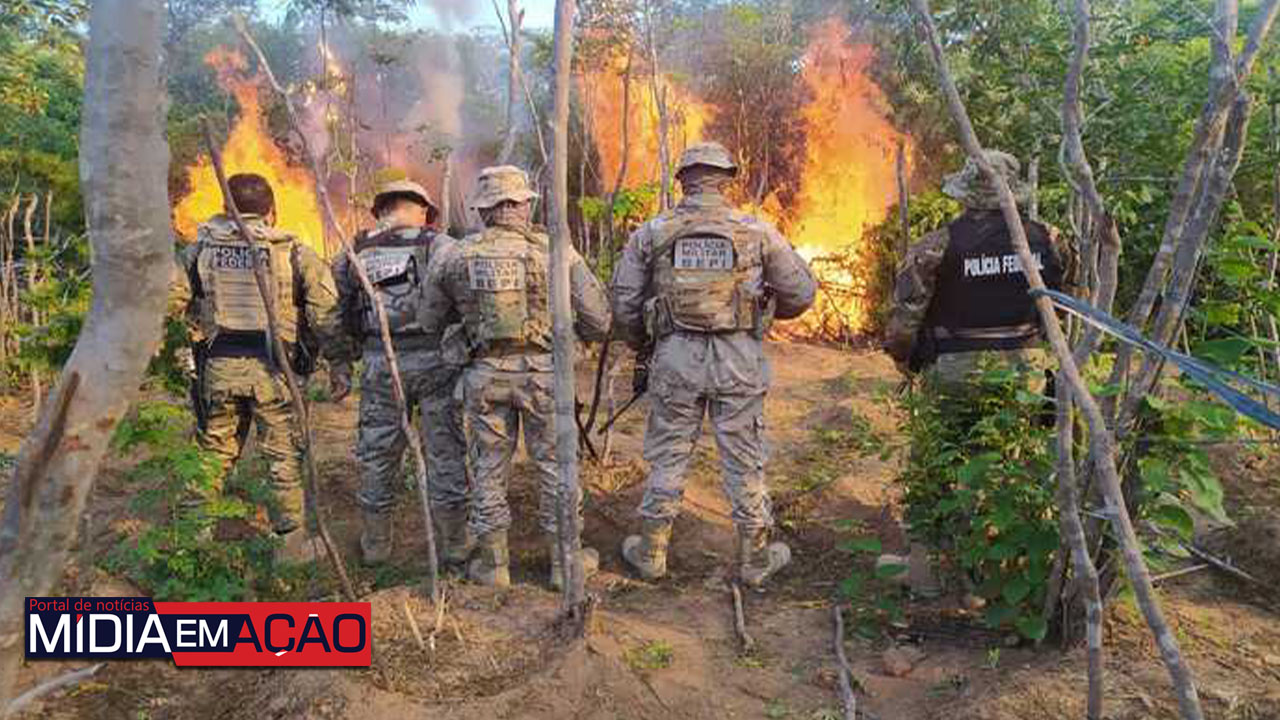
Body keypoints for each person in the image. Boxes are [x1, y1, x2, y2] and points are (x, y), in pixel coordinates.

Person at [610, 141, 817, 590]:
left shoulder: (652, 232)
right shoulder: (757, 231)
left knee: (668, 453)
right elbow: (800, 293)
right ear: (727, 180)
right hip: (738, 356)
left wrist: (644, 343)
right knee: (744, 457)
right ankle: (755, 559)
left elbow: (624, 303)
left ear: (682, 180)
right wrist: (759, 314)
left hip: (675, 355)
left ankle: (651, 553)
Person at [418, 165, 611, 589]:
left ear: (484, 209)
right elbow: (599, 318)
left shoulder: (454, 255)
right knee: (557, 467)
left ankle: (493, 565)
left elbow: (428, 319)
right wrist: (572, 343)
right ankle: (565, 564)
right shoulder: (556, 251)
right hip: (544, 375)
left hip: (484, 374)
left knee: (487, 467)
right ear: (524, 204)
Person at [175, 173, 340, 559]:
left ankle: (190, 546)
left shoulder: (200, 249)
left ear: (224, 209)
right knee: (282, 456)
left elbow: (171, 299)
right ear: (272, 211)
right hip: (275, 371)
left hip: (219, 370)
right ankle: (290, 548)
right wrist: (341, 362)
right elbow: (325, 313)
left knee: (212, 452)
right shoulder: (293, 251)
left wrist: (179, 348)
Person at [326, 179, 470, 568]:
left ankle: (376, 544)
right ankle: (455, 544)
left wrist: (340, 363)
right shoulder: (441, 246)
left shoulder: (353, 251)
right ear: (422, 210)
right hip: (436, 362)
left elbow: (334, 313)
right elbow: (468, 302)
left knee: (377, 452)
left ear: (382, 211)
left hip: (377, 365)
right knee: (445, 450)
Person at [883, 149, 1075, 389]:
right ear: (1012, 192)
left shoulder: (934, 246)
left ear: (965, 194)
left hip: (955, 372)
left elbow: (904, 321)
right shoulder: (1049, 240)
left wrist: (904, 361)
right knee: (1024, 427)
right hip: (1027, 373)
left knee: (953, 428)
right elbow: (1063, 304)